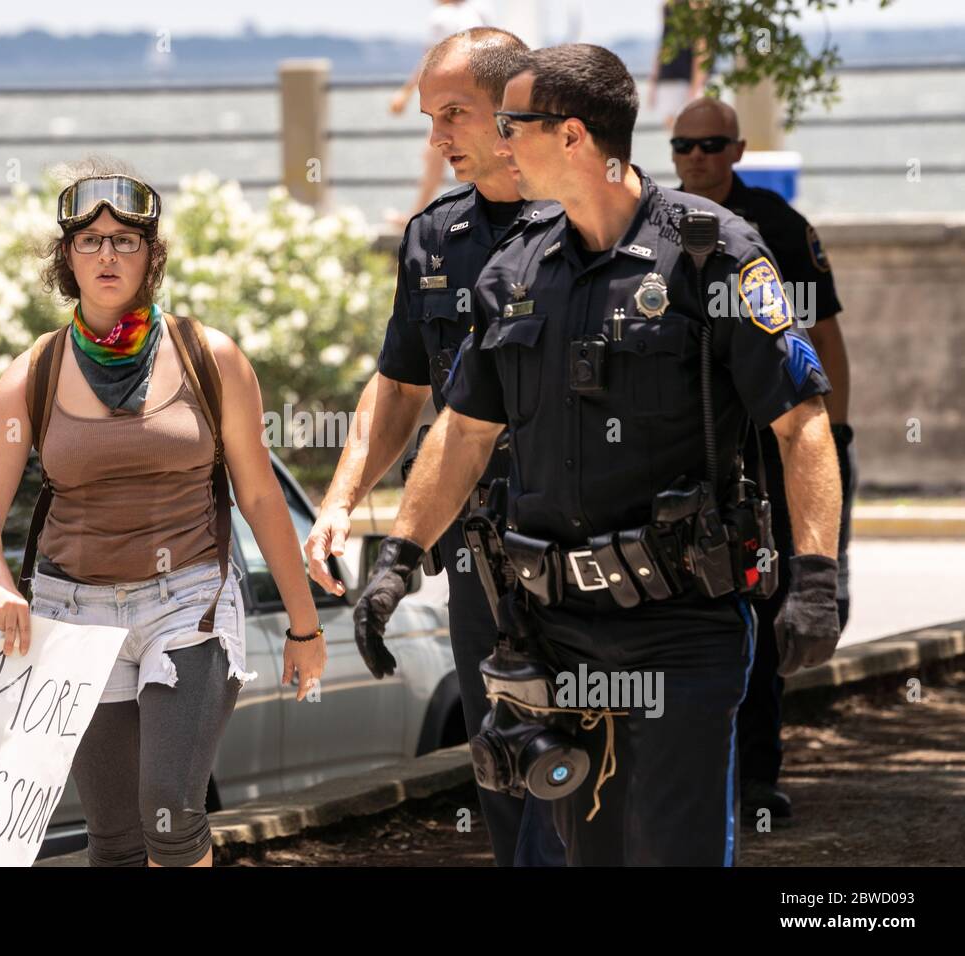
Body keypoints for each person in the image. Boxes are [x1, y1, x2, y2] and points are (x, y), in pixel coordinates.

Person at [353, 43, 842, 865]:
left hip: (681, 623)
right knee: (589, 854)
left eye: (513, 123)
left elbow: (802, 424)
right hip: (554, 626)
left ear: (573, 134)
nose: (499, 139)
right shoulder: (516, 267)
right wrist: (398, 558)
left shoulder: (711, 253)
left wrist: (818, 578)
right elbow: (464, 430)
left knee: (673, 847)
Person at [0, 159, 327, 868]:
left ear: (151, 257)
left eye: (126, 240)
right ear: (66, 257)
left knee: (169, 813)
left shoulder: (207, 356)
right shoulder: (32, 373)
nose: (107, 254)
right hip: (73, 612)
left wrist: (304, 626)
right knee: (116, 838)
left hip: (186, 603)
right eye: (90, 240)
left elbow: (258, 497)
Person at [307, 27, 565, 868]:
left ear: (512, 110)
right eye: (430, 117)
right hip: (477, 555)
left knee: (596, 771)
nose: (437, 138)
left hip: (586, 544)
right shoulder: (434, 238)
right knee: (502, 768)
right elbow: (398, 385)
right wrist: (342, 502)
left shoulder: (593, 221)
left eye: (453, 113)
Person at [671, 96, 855, 825]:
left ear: (739, 149)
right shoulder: (654, 226)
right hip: (690, 457)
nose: (697, 157)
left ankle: (755, 778)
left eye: (712, 144)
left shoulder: (775, 229)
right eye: (684, 144)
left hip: (772, 453)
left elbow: (823, 334)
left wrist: (833, 439)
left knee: (766, 608)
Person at [389, 0, 490, 222]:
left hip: (451, 100)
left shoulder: (442, 16)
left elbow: (430, 60)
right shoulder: (477, 12)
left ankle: (415, 216)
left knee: (436, 155)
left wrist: (405, 94)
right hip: (479, 98)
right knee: (471, 155)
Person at [647, 0, 706, 129]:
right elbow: (663, 44)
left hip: (687, 80)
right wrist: (653, 82)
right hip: (668, 78)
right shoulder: (666, 6)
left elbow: (701, 46)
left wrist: (696, 85)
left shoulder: (697, 5)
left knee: (690, 130)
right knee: (674, 130)